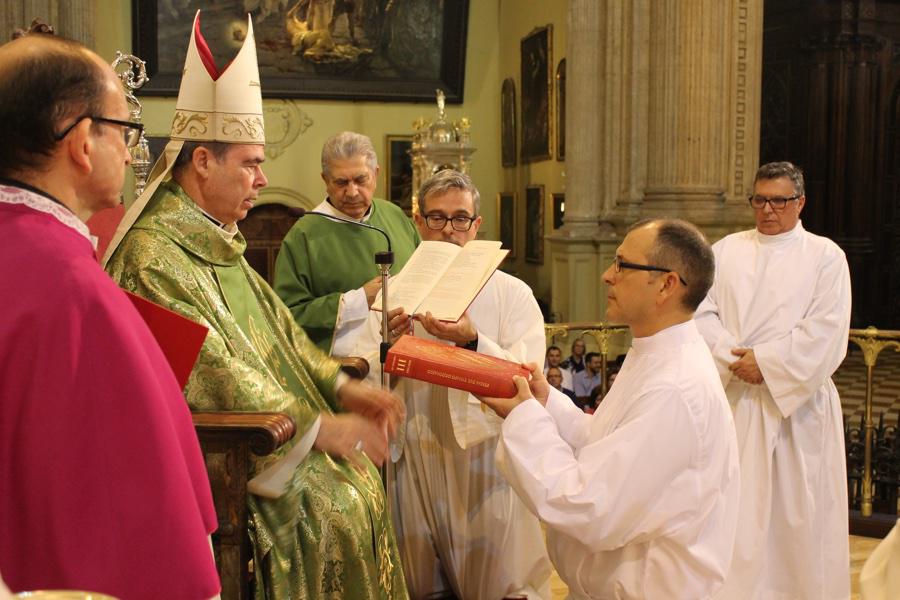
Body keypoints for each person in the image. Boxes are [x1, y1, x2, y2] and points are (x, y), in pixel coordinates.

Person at [103, 12, 407, 598]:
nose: (263, 180)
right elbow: (212, 369)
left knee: (360, 487)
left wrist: (343, 389)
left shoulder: (214, 236)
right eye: (250, 162)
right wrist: (320, 426)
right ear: (202, 162)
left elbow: (281, 334)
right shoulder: (152, 257)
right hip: (223, 457)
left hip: (275, 435)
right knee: (334, 510)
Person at [0, 32, 219, 598]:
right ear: (81, 142)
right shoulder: (71, 291)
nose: (130, 152)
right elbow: (139, 528)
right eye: (125, 131)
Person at [480, 218, 740, 599]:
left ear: (667, 284)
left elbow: (591, 507)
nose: (606, 275)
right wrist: (547, 403)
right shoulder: (657, 354)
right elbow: (605, 445)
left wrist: (524, 417)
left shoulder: (675, 388)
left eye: (622, 264)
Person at [353, 170, 552, 599]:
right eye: (437, 218)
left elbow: (527, 379)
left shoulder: (513, 293)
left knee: (499, 581)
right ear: (419, 223)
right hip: (414, 450)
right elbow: (360, 373)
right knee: (418, 581)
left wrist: (472, 339)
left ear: (477, 225)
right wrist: (389, 344)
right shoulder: (394, 292)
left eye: (460, 219)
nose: (449, 230)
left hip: (483, 456)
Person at [695, 161, 852, 599]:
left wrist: (768, 363)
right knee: (737, 515)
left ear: (800, 202)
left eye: (779, 201)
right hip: (739, 400)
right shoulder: (725, 251)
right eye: (759, 200)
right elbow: (701, 312)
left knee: (797, 520)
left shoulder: (825, 257)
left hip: (797, 409)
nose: (767, 210)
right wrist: (734, 359)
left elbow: (827, 330)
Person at [274, 131, 419, 353]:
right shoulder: (303, 236)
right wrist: (359, 300)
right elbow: (286, 316)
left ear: (376, 173)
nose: (352, 192)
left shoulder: (395, 216)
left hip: (409, 353)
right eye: (341, 182)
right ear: (325, 180)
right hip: (349, 372)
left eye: (361, 180)